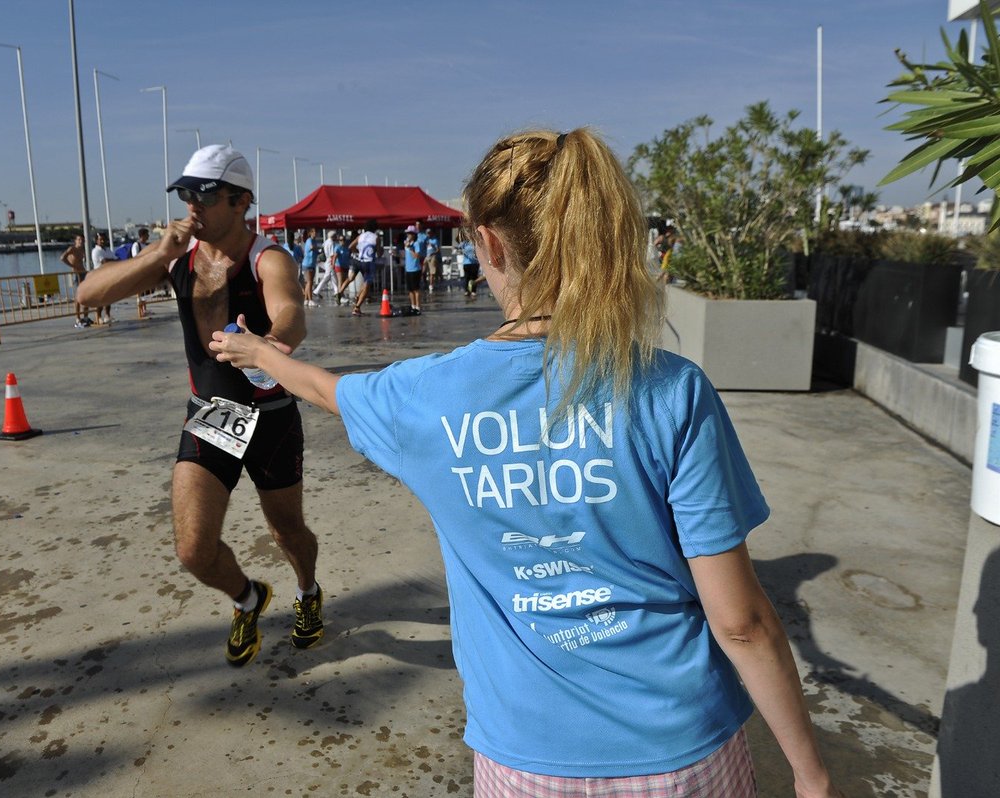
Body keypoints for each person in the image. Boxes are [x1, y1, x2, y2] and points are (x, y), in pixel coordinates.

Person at [210, 129, 844, 796]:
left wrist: (260, 355)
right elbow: (740, 621)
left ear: (488, 243)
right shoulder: (672, 390)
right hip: (684, 749)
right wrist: (810, 774)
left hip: (528, 759)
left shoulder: (424, 398)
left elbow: (321, 388)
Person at [77, 143, 324, 668]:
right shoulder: (178, 260)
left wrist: (267, 346)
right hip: (210, 417)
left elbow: (291, 313)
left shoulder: (267, 257)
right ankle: (249, 598)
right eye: (187, 194)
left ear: (241, 203)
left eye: (206, 196)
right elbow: (89, 295)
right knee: (193, 550)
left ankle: (307, 592)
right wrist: (157, 254)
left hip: (272, 419)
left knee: (287, 531)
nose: (193, 206)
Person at [339, 221, 379, 317]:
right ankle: (357, 307)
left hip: (358, 261)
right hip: (368, 262)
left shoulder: (360, 236)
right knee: (367, 285)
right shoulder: (376, 237)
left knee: (354, 280)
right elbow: (379, 250)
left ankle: (346, 294)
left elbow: (350, 247)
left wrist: (358, 251)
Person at [60, 233, 91, 327]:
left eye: (82, 240)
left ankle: (85, 317)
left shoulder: (82, 250)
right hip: (76, 273)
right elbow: (62, 258)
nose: (81, 241)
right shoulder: (72, 249)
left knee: (86, 295)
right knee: (78, 297)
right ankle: (77, 318)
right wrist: (72, 266)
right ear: (75, 241)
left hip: (83, 272)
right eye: (79, 240)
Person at [90, 231, 117, 325]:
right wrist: (112, 260)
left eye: (104, 239)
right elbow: (104, 261)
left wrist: (111, 260)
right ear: (96, 240)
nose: (102, 241)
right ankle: (98, 317)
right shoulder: (96, 251)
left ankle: (107, 316)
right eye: (100, 239)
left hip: (108, 276)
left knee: (108, 298)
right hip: (99, 276)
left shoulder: (107, 250)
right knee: (100, 298)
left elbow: (116, 259)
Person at [402, 230, 422, 314]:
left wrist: (410, 248)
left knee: (416, 289)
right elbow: (405, 256)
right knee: (410, 289)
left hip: (415, 269)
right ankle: (412, 306)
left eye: (410, 233)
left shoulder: (416, 243)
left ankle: (418, 307)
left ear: (414, 235)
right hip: (408, 268)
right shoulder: (406, 243)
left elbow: (416, 256)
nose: (408, 235)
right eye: (407, 233)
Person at [300, 228, 319, 307]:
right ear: (310, 233)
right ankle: (310, 299)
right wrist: (317, 248)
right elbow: (311, 247)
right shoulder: (309, 240)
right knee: (309, 282)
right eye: (313, 232)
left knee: (309, 282)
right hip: (307, 264)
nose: (315, 233)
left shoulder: (314, 241)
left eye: (316, 232)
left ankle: (306, 299)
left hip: (312, 264)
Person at [423, 227, 441, 292]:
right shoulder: (426, 240)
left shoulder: (435, 240)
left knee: (432, 272)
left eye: (429, 233)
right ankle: (425, 283)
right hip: (426, 256)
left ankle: (431, 285)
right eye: (427, 233)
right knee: (423, 271)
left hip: (433, 256)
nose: (428, 234)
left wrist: (433, 248)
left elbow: (438, 250)